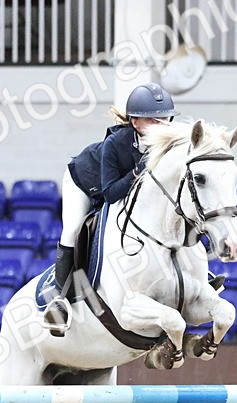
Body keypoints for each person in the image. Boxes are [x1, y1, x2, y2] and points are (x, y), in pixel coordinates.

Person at [43, 82, 177, 334]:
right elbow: (111, 193)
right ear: (135, 122)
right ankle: (59, 300)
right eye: (154, 121)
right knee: (72, 229)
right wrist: (138, 171)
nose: (163, 126)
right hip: (85, 182)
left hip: (122, 188)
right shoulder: (116, 144)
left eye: (166, 119)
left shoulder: (169, 143)